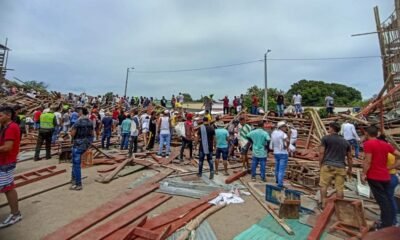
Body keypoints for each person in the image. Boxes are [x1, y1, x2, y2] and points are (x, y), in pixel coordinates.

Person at [362, 126, 400, 228]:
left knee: (383, 201)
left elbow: (368, 161)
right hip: (385, 176)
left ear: (367, 134)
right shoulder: (385, 144)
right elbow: (398, 154)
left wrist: (363, 174)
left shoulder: (368, 144)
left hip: (374, 176)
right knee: (387, 199)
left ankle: (386, 224)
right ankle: (390, 221)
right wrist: (392, 166)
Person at [318, 122, 352, 208]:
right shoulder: (345, 142)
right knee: (339, 188)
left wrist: (320, 164)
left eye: (329, 128)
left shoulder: (325, 139)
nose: (328, 129)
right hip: (341, 167)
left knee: (324, 185)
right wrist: (350, 168)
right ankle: (340, 206)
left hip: (327, 165)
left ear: (332, 128)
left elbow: (321, 152)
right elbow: (349, 157)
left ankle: (323, 203)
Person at [0, 106, 22, 228]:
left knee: (8, 188)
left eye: (0, 115)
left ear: (8, 115)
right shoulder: (5, 127)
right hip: (3, 161)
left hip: (6, 162)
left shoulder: (11, 127)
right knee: (7, 187)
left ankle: (15, 214)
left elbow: (7, 147)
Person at [377, 134, 400, 225]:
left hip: (387, 177)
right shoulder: (392, 151)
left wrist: (387, 168)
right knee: (389, 199)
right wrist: (392, 167)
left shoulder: (384, 151)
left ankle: (391, 221)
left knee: (387, 200)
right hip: (393, 176)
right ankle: (390, 219)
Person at [70, 107, 94, 190]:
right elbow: (92, 133)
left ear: (81, 112)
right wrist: (89, 142)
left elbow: (73, 134)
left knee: (76, 164)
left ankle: (78, 184)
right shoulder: (90, 122)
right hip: (86, 144)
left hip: (78, 144)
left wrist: (71, 134)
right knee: (75, 164)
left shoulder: (78, 122)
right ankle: (73, 180)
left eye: (78, 112)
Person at [270, 121, 290, 188]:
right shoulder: (283, 134)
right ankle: (280, 184)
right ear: (281, 127)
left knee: (277, 167)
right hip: (283, 153)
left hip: (276, 152)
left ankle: (277, 180)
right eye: (284, 127)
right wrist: (287, 147)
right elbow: (287, 141)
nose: (285, 128)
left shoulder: (274, 133)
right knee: (281, 169)